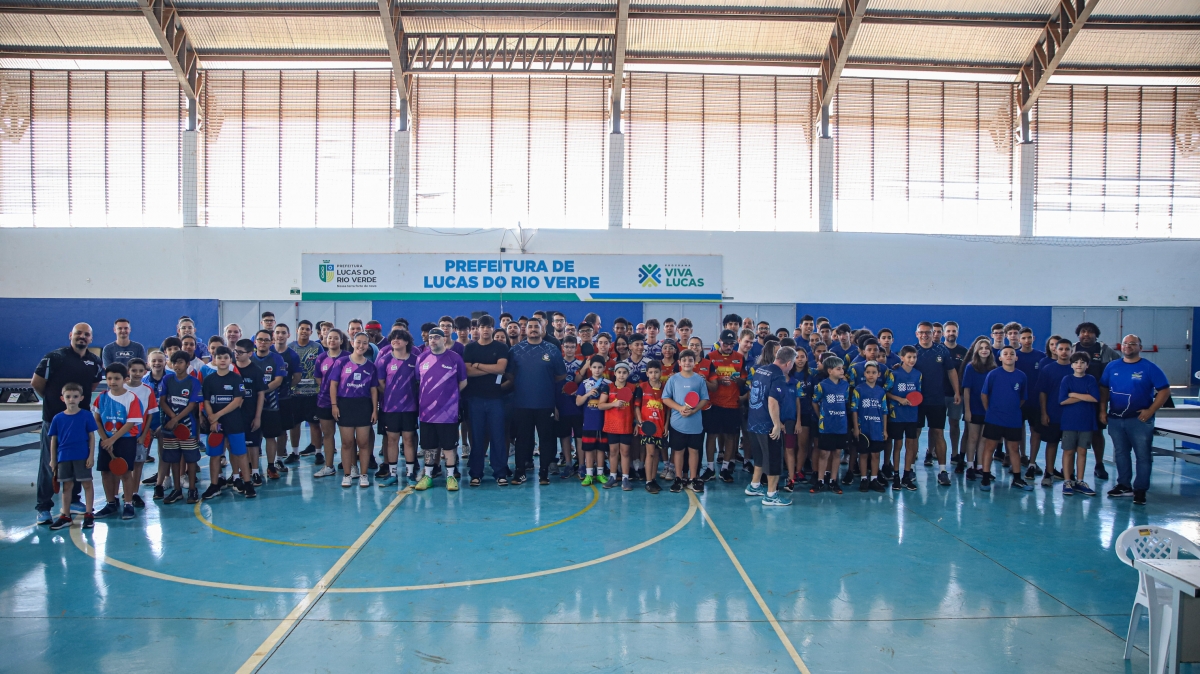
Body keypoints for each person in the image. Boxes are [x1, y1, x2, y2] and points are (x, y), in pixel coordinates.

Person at [31, 323, 104, 524]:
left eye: (86, 334)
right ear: (70, 335)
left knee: (78, 460)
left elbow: (92, 386)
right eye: (78, 333)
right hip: (55, 421)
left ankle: (73, 500)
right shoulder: (54, 357)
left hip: (79, 423)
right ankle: (44, 506)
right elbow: (36, 383)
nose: (82, 337)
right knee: (50, 463)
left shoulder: (95, 361)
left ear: (91, 338)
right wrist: (54, 402)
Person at [1100, 334, 1170, 505]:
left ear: (1140, 347)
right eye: (1125, 343)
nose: (1128, 346)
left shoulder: (1149, 368)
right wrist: (1102, 410)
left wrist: (1151, 410)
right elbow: (1104, 388)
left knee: (1143, 455)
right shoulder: (1112, 366)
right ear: (1121, 346)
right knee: (1121, 453)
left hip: (1139, 420)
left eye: (1132, 343)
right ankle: (1124, 485)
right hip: (1116, 419)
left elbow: (1164, 390)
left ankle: (1140, 490)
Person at [506, 318, 566, 485]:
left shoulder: (552, 349)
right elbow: (509, 374)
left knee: (546, 439)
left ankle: (544, 473)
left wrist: (544, 382)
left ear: (542, 329)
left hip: (545, 403)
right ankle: (520, 472)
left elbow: (561, 375)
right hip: (522, 403)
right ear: (525, 330)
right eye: (530, 327)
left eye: (536, 327)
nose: (533, 329)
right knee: (522, 439)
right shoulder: (515, 350)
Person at [414, 328, 468, 491]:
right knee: (429, 446)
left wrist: (450, 398)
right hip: (426, 413)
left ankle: (450, 477)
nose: (433, 340)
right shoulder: (422, 358)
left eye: (437, 337)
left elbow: (463, 382)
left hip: (448, 413)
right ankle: (428, 476)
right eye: (431, 337)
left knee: (449, 446)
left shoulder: (455, 358)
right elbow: (419, 380)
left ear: (444, 339)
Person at [91, 363, 145, 520]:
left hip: (125, 440)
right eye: (109, 378)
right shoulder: (101, 397)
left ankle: (128, 504)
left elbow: (130, 423)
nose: (112, 382)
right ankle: (111, 503)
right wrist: (105, 439)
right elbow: (97, 420)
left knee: (126, 472)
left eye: (116, 378)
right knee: (106, 472)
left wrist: (113, 439)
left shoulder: (131, 398)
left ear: (125, 379)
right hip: (106, 440)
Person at [199, 346, 253, 499]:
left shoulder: (236, 378)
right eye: (219, 357)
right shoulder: (209, 380)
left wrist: (217, 415)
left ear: (231, 360)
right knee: (215, 455)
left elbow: (237, 401)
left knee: (240, 453)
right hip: (215, 424)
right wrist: (212, 418)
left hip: (234, 422)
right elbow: (206, 401)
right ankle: (214, 485)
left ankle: (247, 483)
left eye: (226, 358)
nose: (222, 360)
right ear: (214, 360)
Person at [744, 346, 795, 506]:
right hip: (767, 424)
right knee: (773, 459)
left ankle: (754, 485)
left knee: (759, 456)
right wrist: (776, 425)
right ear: (788, 363)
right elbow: (772, 401)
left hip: (753, 421)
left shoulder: (761, 370)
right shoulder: (778, 375)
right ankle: (771, 495)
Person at [909, 321, 960, 484]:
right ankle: (910, 469)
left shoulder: (942, 350)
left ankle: (943, 471)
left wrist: (957, 391)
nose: (924, 335)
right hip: (916, 401)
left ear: (934, 334)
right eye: (921, 332)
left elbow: (951, 371)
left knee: (938, 433)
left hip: (937, 400)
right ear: (917, 334)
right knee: (914, 434)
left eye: (928, 332)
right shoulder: (912, 351)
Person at [463, 315, 510, 487]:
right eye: (482, 327)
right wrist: (490, 369)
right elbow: (468, 372)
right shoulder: (470, 348)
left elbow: (501, 369)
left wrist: (478, 365)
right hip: (474, 399)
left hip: (495, 399)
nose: (485, 330)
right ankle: (476, 473)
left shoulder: (501, 347)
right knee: (477, 438)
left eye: (488, 327)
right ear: (477, 329)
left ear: (493, 328)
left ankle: (500, 473)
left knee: (498, 436)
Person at [329, 332, 379, 488]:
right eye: (358, 342)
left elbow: (373, 390)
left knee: (363, 443)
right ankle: (347, 474)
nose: (361, 346)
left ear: (368, 345)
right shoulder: (342, 362)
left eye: (365, 343)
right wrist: (334, 405)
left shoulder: (371, 366)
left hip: (364, 406)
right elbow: (333, 385)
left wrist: (374, 410)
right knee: (347, 443)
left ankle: (364, 475)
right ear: (352, 343)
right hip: (345, 405)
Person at [46, 383, 98, 530]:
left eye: (75, 396)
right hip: (64, 457)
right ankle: (66, 516)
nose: (72, 399)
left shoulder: (86, 415)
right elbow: (54, 440)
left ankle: (89, 514)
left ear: (81, 398)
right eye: (68, 396)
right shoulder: (57, 418)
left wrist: (91, 456)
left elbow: (92, 437)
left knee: (87, 484)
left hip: (82, 456)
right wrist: (53, 459)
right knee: (67, 486)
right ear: (62, 398)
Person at [979, 346, 1030, 492]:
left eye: (1012, 353)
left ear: (1016, 357)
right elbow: (984, 394)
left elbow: (1022, 398)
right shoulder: (993, 374)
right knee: (990, 447)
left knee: (1014, 448)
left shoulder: (1021, 376)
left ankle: (1017, 478)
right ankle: (985, 477)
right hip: (994, 418)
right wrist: (990, 411)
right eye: (1005, 354)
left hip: (1013, 419)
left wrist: (1012, 409)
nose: (1009, 356)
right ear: (1000, 358)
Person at [1074, 322, 1120, 481]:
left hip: (1097, 400)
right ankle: (1071, 467)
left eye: (1090, 331)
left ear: (1096, 334)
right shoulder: (1072, 349)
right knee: (1072, 433)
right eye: (1083, 331)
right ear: (1079, 334)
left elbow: (1118, 366)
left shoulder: (1104, 350)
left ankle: (1099, 465)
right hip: (1074, 400)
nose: (1086, 334)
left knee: (1097, 432)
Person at [157, 350, 203, 504]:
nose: (177, 365)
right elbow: (162, 401)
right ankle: (177, 490)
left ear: (187, 364)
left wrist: (176, 419)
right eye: (174, 362)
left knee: (191, 459)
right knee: (173, 459)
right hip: (170, 427)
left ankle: (192, 489)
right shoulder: (167, 379)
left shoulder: (194, 382)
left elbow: (192, 405)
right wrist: (172, 419)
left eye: (180, 362)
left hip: (188, 427)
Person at [662, 349, 711, 493]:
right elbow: (665, 398)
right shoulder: (673, 379)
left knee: (694, 451)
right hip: (678, 423)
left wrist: (694, 411)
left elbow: (704, 399)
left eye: (690, 360)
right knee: (678, 451)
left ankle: (693, 479)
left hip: (695, 424)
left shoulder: (699, 380)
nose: (687, 363)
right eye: (684, 360)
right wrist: (679, 408)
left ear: (694, 362)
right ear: (679, 362)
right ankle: (678, 478)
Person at [377, 328, 419, 485]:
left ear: (407, 342)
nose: (395, 340)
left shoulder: (416, 360)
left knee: (408, 439)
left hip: (410, 408)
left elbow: (419, 382)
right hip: (390, 408)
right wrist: (392, 395)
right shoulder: (384, 360)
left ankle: (410, 473)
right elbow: (381, 383)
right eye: (393, 338)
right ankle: (392, 473)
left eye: (399, 338)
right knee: (392, 440)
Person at [811, 356, 855, 494]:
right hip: (826, 426)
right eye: (838, 369)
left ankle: (833, 480)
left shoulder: (845, 386)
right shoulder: (822, 385)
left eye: (842, 368)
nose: (842, 371)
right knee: (824, 453)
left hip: (841, 425)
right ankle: (820, 480)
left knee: (837, 453)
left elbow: (846, 402)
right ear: (830, 371)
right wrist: (821, 416)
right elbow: (815, 402)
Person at [1059, 352, 1100, 497]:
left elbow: (1094, 398)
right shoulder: (1067, 379)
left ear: (1087, 365)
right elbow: (1062, 400)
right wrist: (1084, 396)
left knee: (1082, 451)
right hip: (1069, 421)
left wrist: (1074, 394)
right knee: (1068, 451)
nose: (1079, 365)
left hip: (1086, 422)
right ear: (1071, 365)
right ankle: (1067, 481)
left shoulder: (1090, 379)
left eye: (1082, 362)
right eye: (1076, 362)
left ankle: (1080, 480)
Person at [707, 329, 745, 483]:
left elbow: (744, 380)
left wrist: (738, 380)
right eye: (726, 343)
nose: (729, 346)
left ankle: (725, 468)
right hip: (714, 404)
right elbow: (707, 380)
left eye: (732, 344)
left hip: (732, 404)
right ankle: (710, 468)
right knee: (711, 436)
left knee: (731, 436)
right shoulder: (710, 357)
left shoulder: (740, 358)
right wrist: (719, 381)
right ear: (720, 341)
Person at [1036, 339, 1074, 488]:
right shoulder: (1048, 369)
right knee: (1052, 443)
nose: (1064, 352)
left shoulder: (1076, 369)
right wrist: (1044, 413)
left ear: (1071, 351)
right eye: (1061, 349)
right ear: (1056, 351)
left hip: (1071, 416)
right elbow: (1042, 392)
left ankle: (1069, 475)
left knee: (1070, 447)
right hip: (1053, 413)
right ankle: (1049, 472)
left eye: (1067, 349)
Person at [250, 330, 287, 480]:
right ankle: (252, 468)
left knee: (270, 437)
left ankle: (271, 466)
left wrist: (261, 392)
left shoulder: (277, 359)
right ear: (255, 342)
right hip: (251, 406)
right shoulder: (249, 358)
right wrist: (256, 395)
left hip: (271, 404)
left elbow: (278, 381)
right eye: (260, 340)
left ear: (271, 342)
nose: (263, 342)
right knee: (253, 438)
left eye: (266, 340)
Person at [885, 346, 923, 491]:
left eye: (914, 357)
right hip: (897, 415)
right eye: (909, 357)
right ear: (902, 358)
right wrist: (899, 399)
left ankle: (906, 476)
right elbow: (886, 392)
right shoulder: (894, 374)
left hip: (912, 415)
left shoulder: (918, 375)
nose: (912, 360)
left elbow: (918, 394)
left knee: (910, 445)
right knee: (898, 445)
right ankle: (896, 475)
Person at [312, 330, 347, 476]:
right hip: (324, 401)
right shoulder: (321, 358)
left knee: (347, 437)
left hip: (345, 402)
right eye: (329, 338)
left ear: (341, 341)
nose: (332, 340)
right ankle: (329, 466)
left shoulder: (347, 357)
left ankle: (349, 466)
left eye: (335, 338)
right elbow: (318, 378)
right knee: (327, 434)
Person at [232, 340, 267, 487]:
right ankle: (236, 474)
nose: (237, 354)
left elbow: (261, 394)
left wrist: (257, 416)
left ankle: (255, 471)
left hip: (251, 413)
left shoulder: (256, 371)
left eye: (240, 352)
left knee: (253, 444)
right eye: (235, 351)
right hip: (234, 415)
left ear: (250, 354)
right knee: (235, 444)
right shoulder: (231, 369)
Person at [124, 358, 158, 508]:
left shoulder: (147, 390)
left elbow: (150, 414)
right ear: (128, 371)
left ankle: (134, 493)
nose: (137, 373)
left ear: (145, 372)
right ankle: (125, 493)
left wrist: (144, 434)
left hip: (141, 434)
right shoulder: (122, 388)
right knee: (125, 466)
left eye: (140, 371)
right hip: (124, 435)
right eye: (134, 370)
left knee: (138, 465)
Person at [288, 320, 324, 459]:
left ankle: (318, 452)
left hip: (313, 393)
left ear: (311, 332)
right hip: (295, 393)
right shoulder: (290, 347)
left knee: (314, 424)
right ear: (297, 330)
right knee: (294, 424)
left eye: (307, 329)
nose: (304, 331)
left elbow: (322, 367)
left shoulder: (317, 347)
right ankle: (295, 452)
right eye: (302, 328)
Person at [960, 338, 995, 480]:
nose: (984, 350)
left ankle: (980, 466)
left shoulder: (994, 368)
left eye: (987, 348)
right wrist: (967, 410)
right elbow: (966, 390)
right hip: (974, 408)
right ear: (976, 351)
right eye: (981, 348)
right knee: (972, 437)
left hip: (988, 409)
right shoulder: (970, 367)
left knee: (983, 439)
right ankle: (969, 466)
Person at [1014, 326, 1046, 477]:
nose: (1027, 340)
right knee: (1017, 431)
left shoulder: (1041, 357)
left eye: (1029, 337)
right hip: (1018, 402)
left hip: (1036, 402)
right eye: (1024, 338)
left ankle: (1032, 463)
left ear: (1033, 338)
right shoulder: (1014, 356)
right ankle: (1021, 457)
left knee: (1035, 431)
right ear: (1019, 340)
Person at [601, 362, 637, 490]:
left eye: (624, 372)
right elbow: (601, 405)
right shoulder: (608, 387)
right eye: (619, 372)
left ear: (628, 374)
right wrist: (613, 404)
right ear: (615, 373)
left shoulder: (633, 388)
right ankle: (613, 477)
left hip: (626, 425)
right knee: (613, 452)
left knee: (625, 452)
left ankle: (625, 478)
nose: (621, 375)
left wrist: (637, 424)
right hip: (612, 425)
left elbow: (636, 407)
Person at [576, 356, 611, 486]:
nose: (597, 370)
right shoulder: (585, 383)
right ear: (590, 368)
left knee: (601, 449)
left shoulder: (609, 384)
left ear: (604, 368)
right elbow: (578, 402)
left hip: (603, 422)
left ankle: (600, 474)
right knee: (589, 449)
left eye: (600, 367)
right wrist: (587, 394)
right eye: (594, 367)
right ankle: (589, 474)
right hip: (589, 423)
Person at [634, 359, 667, 493]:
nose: (653, 375)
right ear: (647, 373)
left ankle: (653, 479)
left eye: (656, 372)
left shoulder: (665, 387)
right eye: (651, 372)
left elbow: (668, 409)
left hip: (660, 426)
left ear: (661, 373)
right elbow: (636, 406)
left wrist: (666, 425)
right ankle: (648, 481)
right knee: (651, 453)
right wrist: (640, 422)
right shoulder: (641, 387)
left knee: (656, 453)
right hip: (647, 427)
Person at [271, 324, 303, 466]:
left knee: (283, 429)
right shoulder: (267, 352)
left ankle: (279, 459)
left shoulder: (293, 355)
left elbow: (297, 376)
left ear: (288, 335)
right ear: (273, 335)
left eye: (283, 332)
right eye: (277, 332)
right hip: (265, 398)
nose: (280, 335)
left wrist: (285, 387)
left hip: (284, 398)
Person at [855, 361, 888, 492]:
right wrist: (856, 427)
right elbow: (854, 410)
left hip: (877, 428)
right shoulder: (858, 390)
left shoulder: (881, 392)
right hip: (864, 427)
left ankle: (874, 479)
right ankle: (864, 479)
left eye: (874, 372)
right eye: (868, 372)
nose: (871, 375)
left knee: (875, 454)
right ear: (864, 374)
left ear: (878, 374)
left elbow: (884, 411)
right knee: (863, 454)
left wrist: (884, 429)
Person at [941, 321, 968, 468]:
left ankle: (955, 453)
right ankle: (931, 452)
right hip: (939, 394)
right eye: (948, 331)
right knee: (936, 427)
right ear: (943, 333)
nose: (951, 333)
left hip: (956, 395)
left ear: (957, 333)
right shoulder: (938, 350)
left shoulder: (964, 352)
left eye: (954, 331)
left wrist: (959, 392)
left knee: (955, 424)